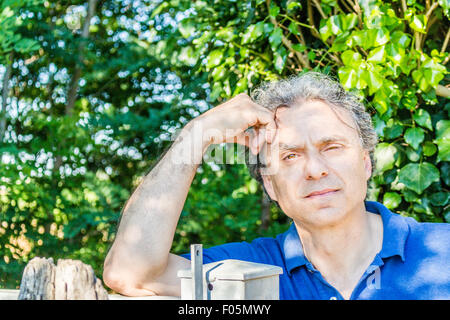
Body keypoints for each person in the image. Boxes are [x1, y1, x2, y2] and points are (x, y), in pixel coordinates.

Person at [103, 72, 450, 300]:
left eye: (332, 147)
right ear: (269, 185)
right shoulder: (248, 273)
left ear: (365, 162)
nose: (315, 170)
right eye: (291, 156)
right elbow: (129, 272)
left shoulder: (442, 250)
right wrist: (195, 136)